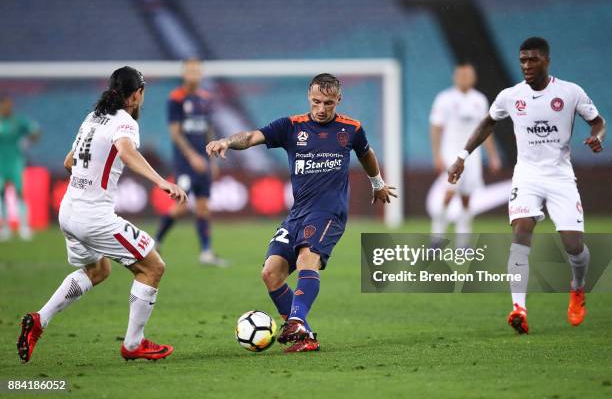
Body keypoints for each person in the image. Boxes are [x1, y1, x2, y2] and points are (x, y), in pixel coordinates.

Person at [206, 73, 397, 352]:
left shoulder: (351, 129)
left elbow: (366, 153)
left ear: (338, 100)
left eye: (328, 103)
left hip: (329, 212)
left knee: (308, 258)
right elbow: (249, 137)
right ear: (309, 97)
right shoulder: (290, 126)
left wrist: (377, 183)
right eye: (317, 101)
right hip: (298, 213)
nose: (321, 109)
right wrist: (226, 141)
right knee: (271, 273)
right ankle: (304, 335)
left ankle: (295, 320)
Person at [17, 66, 187, 362]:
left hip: (68, 211)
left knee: (98, 271)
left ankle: (39, 321)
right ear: (137, 95)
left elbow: (69, 161)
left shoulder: (93, 117)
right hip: (92, 216)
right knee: (153, 267)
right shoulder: (125, 122)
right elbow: (126, 151)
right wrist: (161, 182)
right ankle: (133, 345)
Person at [448, 37, 606, 334]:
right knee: (521, 231)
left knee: (574, 246)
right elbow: (487, 123)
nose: (526, 66)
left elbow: (598, 121)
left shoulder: (570, 93)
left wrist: (597, 137)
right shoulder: (511, 95)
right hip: (527, 176)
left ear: (546, 61)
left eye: (532, 60)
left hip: (560, 177)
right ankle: (518, 308)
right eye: (522, 60)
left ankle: (578, 288)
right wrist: (462, 156)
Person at [154, 59, 227, 267]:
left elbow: (208, 131)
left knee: (204, 207)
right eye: (190, 71)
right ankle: (155, 242)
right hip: (185, 164)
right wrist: (192, 156)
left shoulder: (205, 99)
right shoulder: (176, 98)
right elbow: (175, 132)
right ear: (184, 74)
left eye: (197, 71)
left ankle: (206, 252)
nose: (194, 74)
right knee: (181, 206)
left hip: (204, 162)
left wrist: (212, 160)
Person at [429, 63, 501, 246]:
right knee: (448, 193)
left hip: (473, 157)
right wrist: (437, 154)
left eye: (468, 75)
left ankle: (463, 243)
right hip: (450, 154)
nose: (464, 79)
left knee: (467, 198)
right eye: (461, 75)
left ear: (474, 78)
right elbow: (436, 127)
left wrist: (493, 156)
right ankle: (437, 237)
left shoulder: (480, 100)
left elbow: (485, 131)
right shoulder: (444, 98)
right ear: (455, 77)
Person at [0, 95, 41, 241]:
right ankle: (4, 228)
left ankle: (24, 227)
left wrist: (28, 140)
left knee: (19, 193)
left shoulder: (18, 121)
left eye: (9, 104)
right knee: (1, 195)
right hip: (1, 163)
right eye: (5, 104)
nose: (7, 107)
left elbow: (35, 132)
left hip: (16, 162)